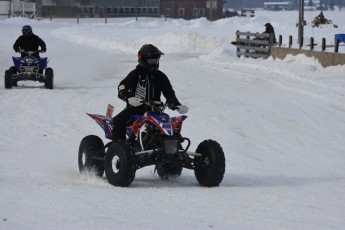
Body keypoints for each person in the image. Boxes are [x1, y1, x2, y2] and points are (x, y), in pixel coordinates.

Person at [112, 44, 188, 141]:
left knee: (171, 126)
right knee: (117, 122)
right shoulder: (136, 74)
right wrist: (129, 97)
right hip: (135, 110)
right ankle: (117, 150)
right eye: (151, 60)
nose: (154, 63)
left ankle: (176, 150)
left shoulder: (161, 76)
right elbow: (122, 86)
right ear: (143, 59)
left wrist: (177, 105)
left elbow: (169, 93)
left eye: (156, 60)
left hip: (155, 112)